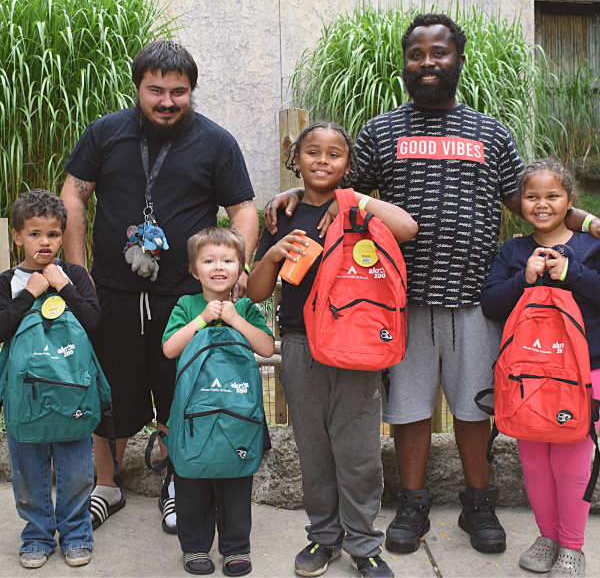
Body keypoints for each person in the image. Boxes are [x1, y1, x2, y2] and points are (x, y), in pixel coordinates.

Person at [262, 13, 600, 555]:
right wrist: (292, 198)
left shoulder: (490, 133)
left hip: (476, 299)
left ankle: (478, 502)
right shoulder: (381, 131)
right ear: (405, 63)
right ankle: (413, 503)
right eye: (416, 54)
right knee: (410, 408)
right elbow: (339, 191)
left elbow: (531, 198)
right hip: (399, 301)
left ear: (457, 60)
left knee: (473, 407)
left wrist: (586, 221)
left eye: (438, 53)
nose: (427, 62)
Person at [60, 41, 259, 532]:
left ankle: (178, 484)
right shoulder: (106, 133)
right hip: (110, 290)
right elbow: (73, 193)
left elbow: (244, 210)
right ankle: (106, 486)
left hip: (183, 298)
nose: (167, 101)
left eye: (179, 92)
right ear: (138, 88)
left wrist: (234, 276)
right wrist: (77, 271)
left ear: (191, 90)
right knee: (111, 390)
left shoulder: (216, 142)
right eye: (156, 91)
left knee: (181, 391)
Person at [248, 122, 418, 578]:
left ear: (348, 163)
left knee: (359, 450)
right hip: (301, 343)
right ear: (295, 159)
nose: (322, 161)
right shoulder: (281, 214)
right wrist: (272, 254)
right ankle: (324, 538)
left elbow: (408, 227)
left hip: (356, 347)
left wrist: (353, 200)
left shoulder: (360, 208)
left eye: (334, 154)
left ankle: (364, 545)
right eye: (312, 152)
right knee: (313, 449)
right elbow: (257, 291)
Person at [481, 159, 600, 577]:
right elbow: (491, 304)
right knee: (533, 460)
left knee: (572, 461)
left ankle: (573, 546)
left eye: (553, 196)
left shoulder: (592, 247)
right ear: (521, 202)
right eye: (532, 197)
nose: (542, 204)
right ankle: (547, 536)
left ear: (570, 200)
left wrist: (574, 273)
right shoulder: (512, 251)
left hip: (584, 373)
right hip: (527, 375)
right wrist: (523, 280)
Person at [162, 227, 274, 576]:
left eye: (228, 260)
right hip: (196, 415)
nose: (218, 267)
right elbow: (169, 349)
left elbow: (267, 347)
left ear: (242, 268)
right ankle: (195, 547)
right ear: (195, 270)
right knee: (193, 481)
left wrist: (234, 318)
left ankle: (236, 548)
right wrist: (201, 319)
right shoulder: (186, 305)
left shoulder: (246, 308)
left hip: (237, 414)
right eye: (208, 260)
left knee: (236, 483)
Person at [0, 190, 100, 569]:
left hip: (72, 392)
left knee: (76, 468)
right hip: (25, 396)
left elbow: (93, 322)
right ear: (17, 236)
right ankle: (37, 535)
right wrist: (30, 292)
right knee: (27, 470)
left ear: (63, 235)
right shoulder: (7, 281)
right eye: (35, 234)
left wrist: (63, 285)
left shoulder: (73, 275)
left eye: (54, 234)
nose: (45, 242)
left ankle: (76, 534)